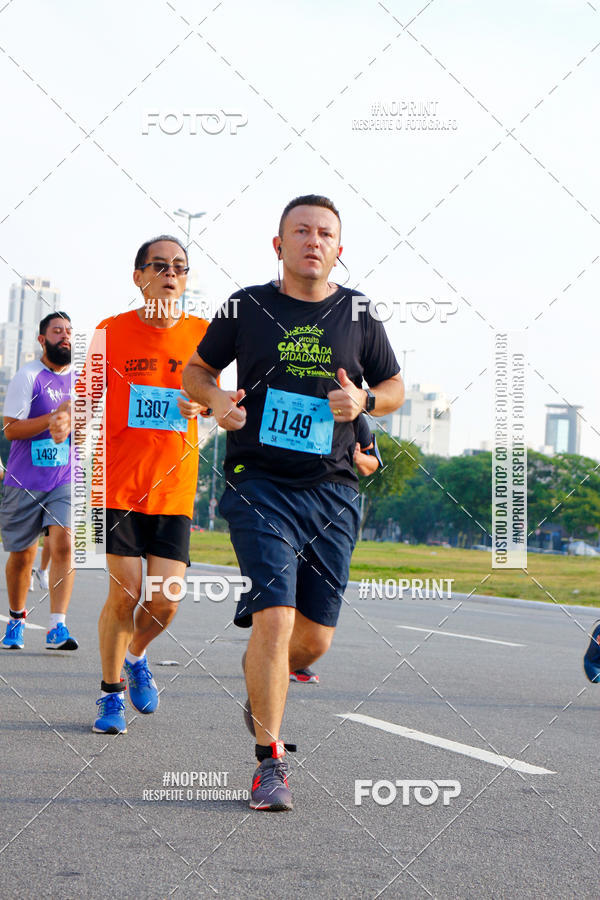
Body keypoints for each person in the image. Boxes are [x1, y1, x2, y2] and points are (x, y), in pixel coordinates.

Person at [183, 194, 404, 811]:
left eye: (325, 233)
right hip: (260, 482)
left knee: (311, 643)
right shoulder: (245, 305)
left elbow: (394, 386)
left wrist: (366, 402)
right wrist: (217, 400)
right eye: (300, 231)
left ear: (339, 248)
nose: (313, 240)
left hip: (333, 489)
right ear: (278, 246)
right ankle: (269, 763)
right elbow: (196, 370)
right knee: (275, 619)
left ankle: (264, 687)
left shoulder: (358, 312)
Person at [50, 235, 210, 734]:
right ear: (138, 276)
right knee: (125, 594)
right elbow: (85, 397)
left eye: (179, 267)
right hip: (115, 487)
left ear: (186, 280)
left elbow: (218, 399)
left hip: (174, 488)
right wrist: (64, 417)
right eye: (159, 265)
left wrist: (203, 405)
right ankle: (110, 694)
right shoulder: (109, 332)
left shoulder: (204, 336)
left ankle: (137, 654)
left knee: (164, 600)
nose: (169, 274)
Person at [1, 312, 77, 650]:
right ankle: (17, 618)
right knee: (23, 556)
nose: (65, 337)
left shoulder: (80, 379)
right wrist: (52, 419)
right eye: (57, 331)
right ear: (42, 339)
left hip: (64, 477)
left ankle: (57, 627)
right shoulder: (27, 376)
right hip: (24, 480)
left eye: (69, 332)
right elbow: (11, 428)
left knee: (63, 544)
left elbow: (87, 424)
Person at [289, 414, 383, 685]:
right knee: (287, 579)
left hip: (332, 507)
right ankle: (276, 652)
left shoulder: (354, 418)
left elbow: (372, 463)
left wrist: (358, 457)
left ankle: (295, 657)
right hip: (287, 499)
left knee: (314, 584)